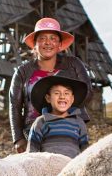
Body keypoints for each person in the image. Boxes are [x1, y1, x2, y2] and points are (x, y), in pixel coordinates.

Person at [9, 17, 92, 153]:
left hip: (69, 128)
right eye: (42, 38)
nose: (48, 43)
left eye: (53, 38)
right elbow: (15, 105)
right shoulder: (23, 71)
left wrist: (62, 112)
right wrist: (18, 138)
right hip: (34, 130)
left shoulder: (73, 64)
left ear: (60, 44)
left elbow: (87, 91)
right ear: (34, 44)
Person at [26, 74, 89, 158]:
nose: (62, 96)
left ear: (72, 99)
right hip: (47, 167)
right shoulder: (41, 122)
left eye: (66, 93)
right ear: (48, 98)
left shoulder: (79, 122)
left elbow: (85, 150)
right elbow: (32, 151)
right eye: (57, 93)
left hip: (71, 167)